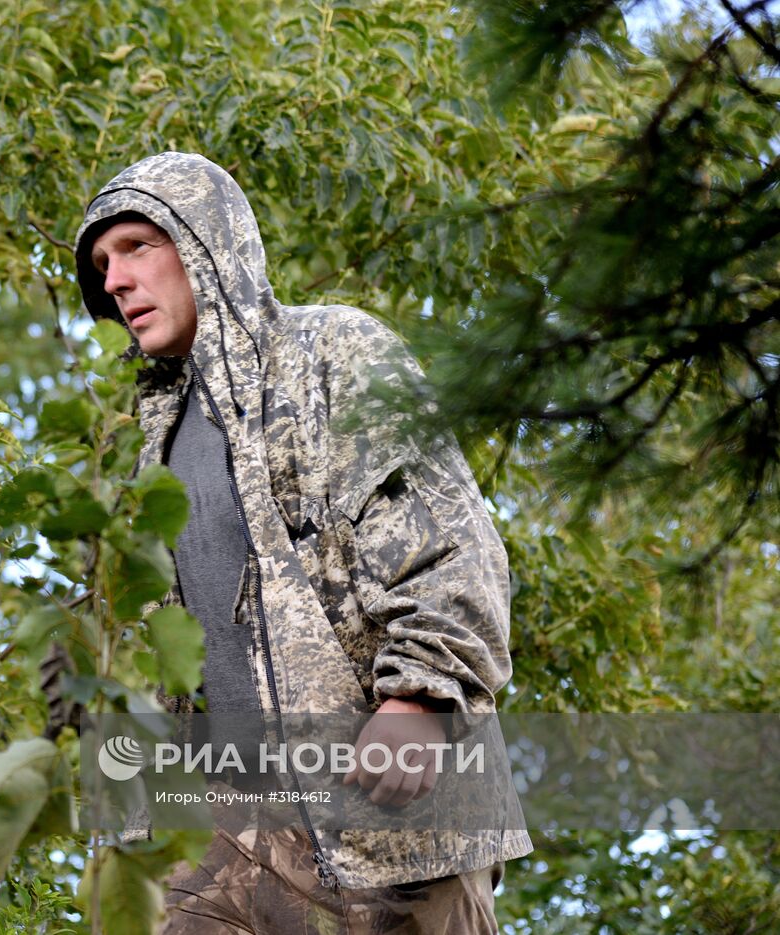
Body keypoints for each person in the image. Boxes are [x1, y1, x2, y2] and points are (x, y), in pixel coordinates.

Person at [67, 152, 532, 933]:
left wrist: (419, 696)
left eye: (138, 246)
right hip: (222, 825)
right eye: (102, 264)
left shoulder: (333, 352)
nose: (114, 279)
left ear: (205, 244)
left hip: (391, 820)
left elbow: (447, 531)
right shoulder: (147, 446)